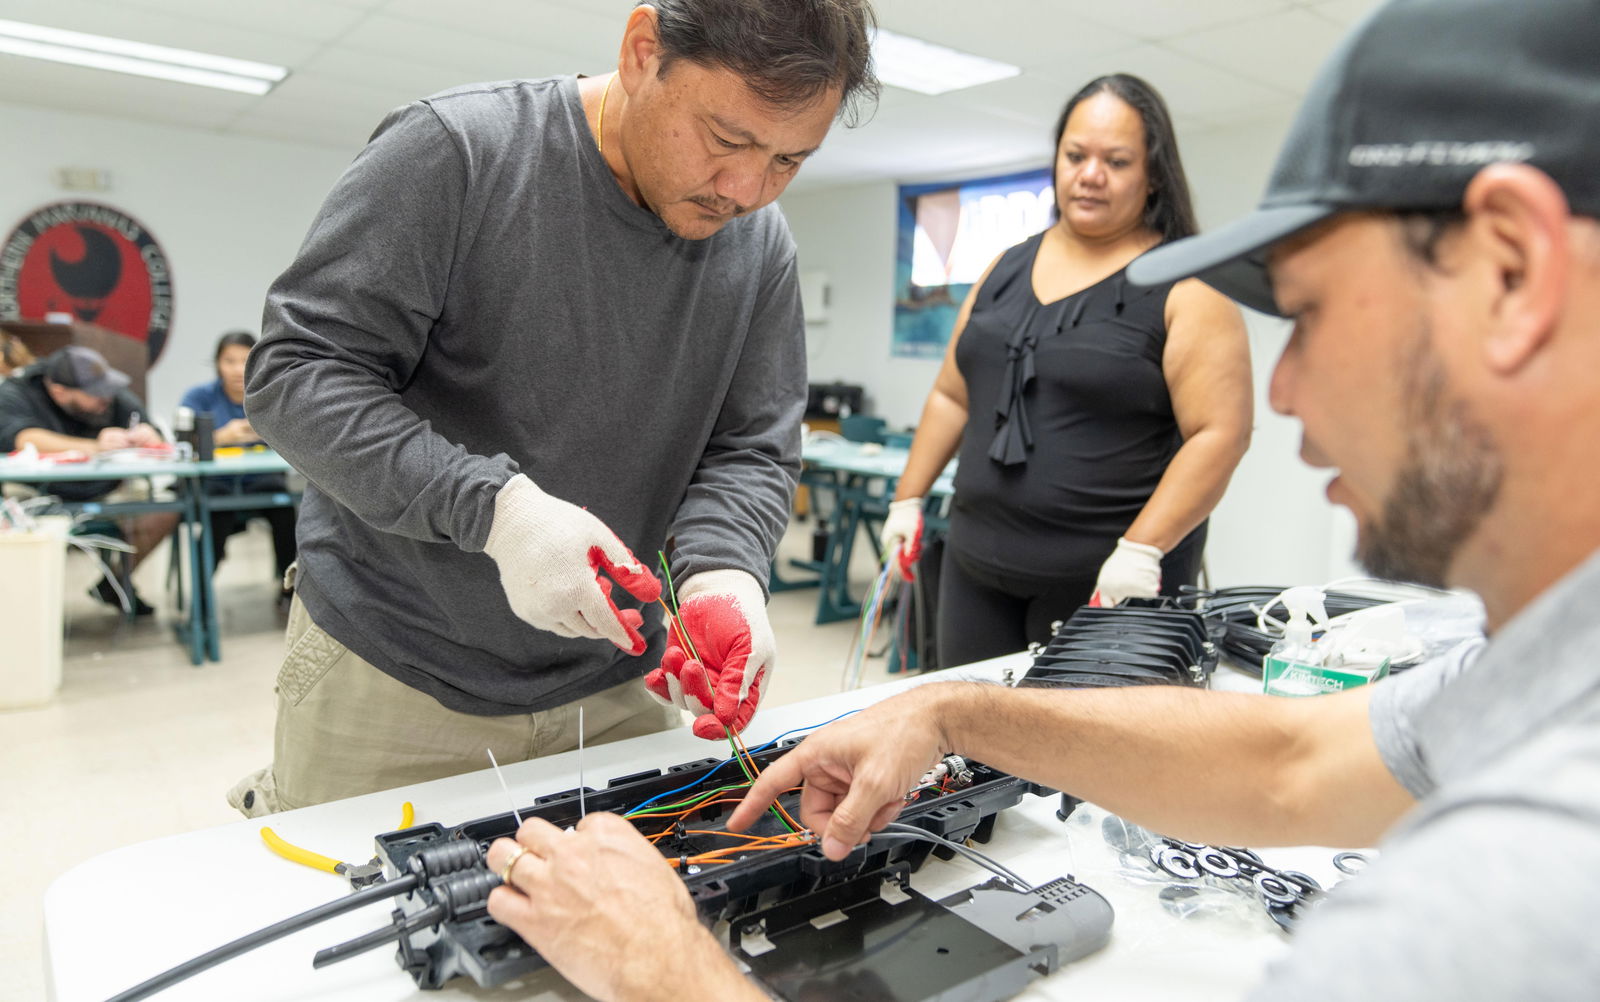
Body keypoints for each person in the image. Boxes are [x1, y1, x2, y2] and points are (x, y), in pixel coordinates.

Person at [480, 1, 1600, 999]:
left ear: (1510, 270)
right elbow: (1289, 766)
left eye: (1309, 312)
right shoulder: (1540, 675)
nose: (1290, 387)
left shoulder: (1511, 893)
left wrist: (659, 968)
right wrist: (953, 713)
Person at [228, 0, 878, 816]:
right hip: (393, 665)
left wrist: (724, 570)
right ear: (644, 51)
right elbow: (298, 373)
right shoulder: (458, 154)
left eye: (790, 158)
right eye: (727, 139)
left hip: (615, 684)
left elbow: (750, 446)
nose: (745, 190)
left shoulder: (759, 245)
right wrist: (498, 514)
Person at [878, 74, 1252, 668]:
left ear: (1153, 172)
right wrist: (907, 499)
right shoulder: (1004, 267)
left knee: (1074, 760)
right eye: (1076, 155)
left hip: (1109, 583)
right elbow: (953, 395)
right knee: (967, 750)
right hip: (975, 570)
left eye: (1117, 160)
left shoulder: (1187, 285)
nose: (1090, 173)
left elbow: (1219, 435)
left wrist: (1142, 551)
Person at [0, 345, 177, 614]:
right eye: (94, 394)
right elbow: (23, 438)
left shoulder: (108, 392)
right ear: (59, 392)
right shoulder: (17, 392)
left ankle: (115, 582)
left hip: (105, 491)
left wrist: (149, 436)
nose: (105, 397)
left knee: (166, 508)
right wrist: (95, 446)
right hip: (37, 495)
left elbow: (149, 428)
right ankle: (28, 609)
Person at [179, 331, 296, 609]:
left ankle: (289, 589)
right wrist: (221, 437)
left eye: (245, 360)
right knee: (216, 513)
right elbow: (181, 443)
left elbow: (296, 436)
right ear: (217, 363)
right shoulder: (199, 396)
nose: (236, 369)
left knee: (286, 513)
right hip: (216, 485)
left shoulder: (271, 396)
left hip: (263, 483)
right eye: (228, 360)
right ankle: (201, 597)